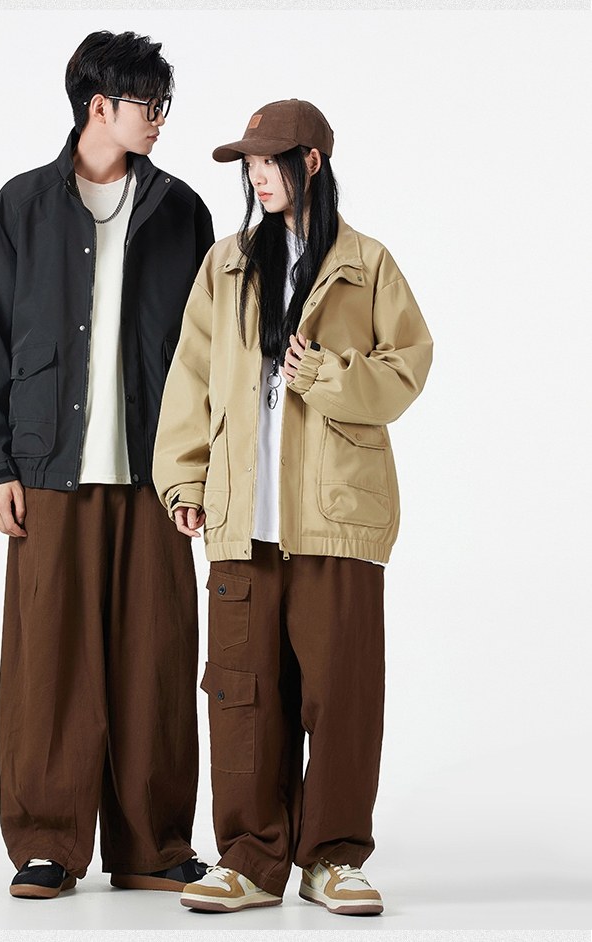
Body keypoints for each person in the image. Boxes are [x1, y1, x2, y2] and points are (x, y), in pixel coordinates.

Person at [153, 99, 432, 915]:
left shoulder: (367, 264)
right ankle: (249, 860)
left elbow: (408, 369)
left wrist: (327, 376)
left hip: (337, 519)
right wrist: (185, 481)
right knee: (241, 695)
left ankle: (333, 858)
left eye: (270, 160)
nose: (257, 176)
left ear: (311, 161)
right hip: (242, 521)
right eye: (249, 163)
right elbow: (190, 378)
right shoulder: (227, 263)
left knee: (341, 695)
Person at [0, 30, 214, 899]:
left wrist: (198, 469)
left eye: (164, 103)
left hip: (154, 476)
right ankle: (47, 842)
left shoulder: (180, 211)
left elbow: (205, 355)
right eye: (149, 103)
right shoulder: (22, 207)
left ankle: (153, 844)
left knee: (157, 659)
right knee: (50, 665)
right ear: (100, 106)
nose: (162, 118)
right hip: (46, 474)